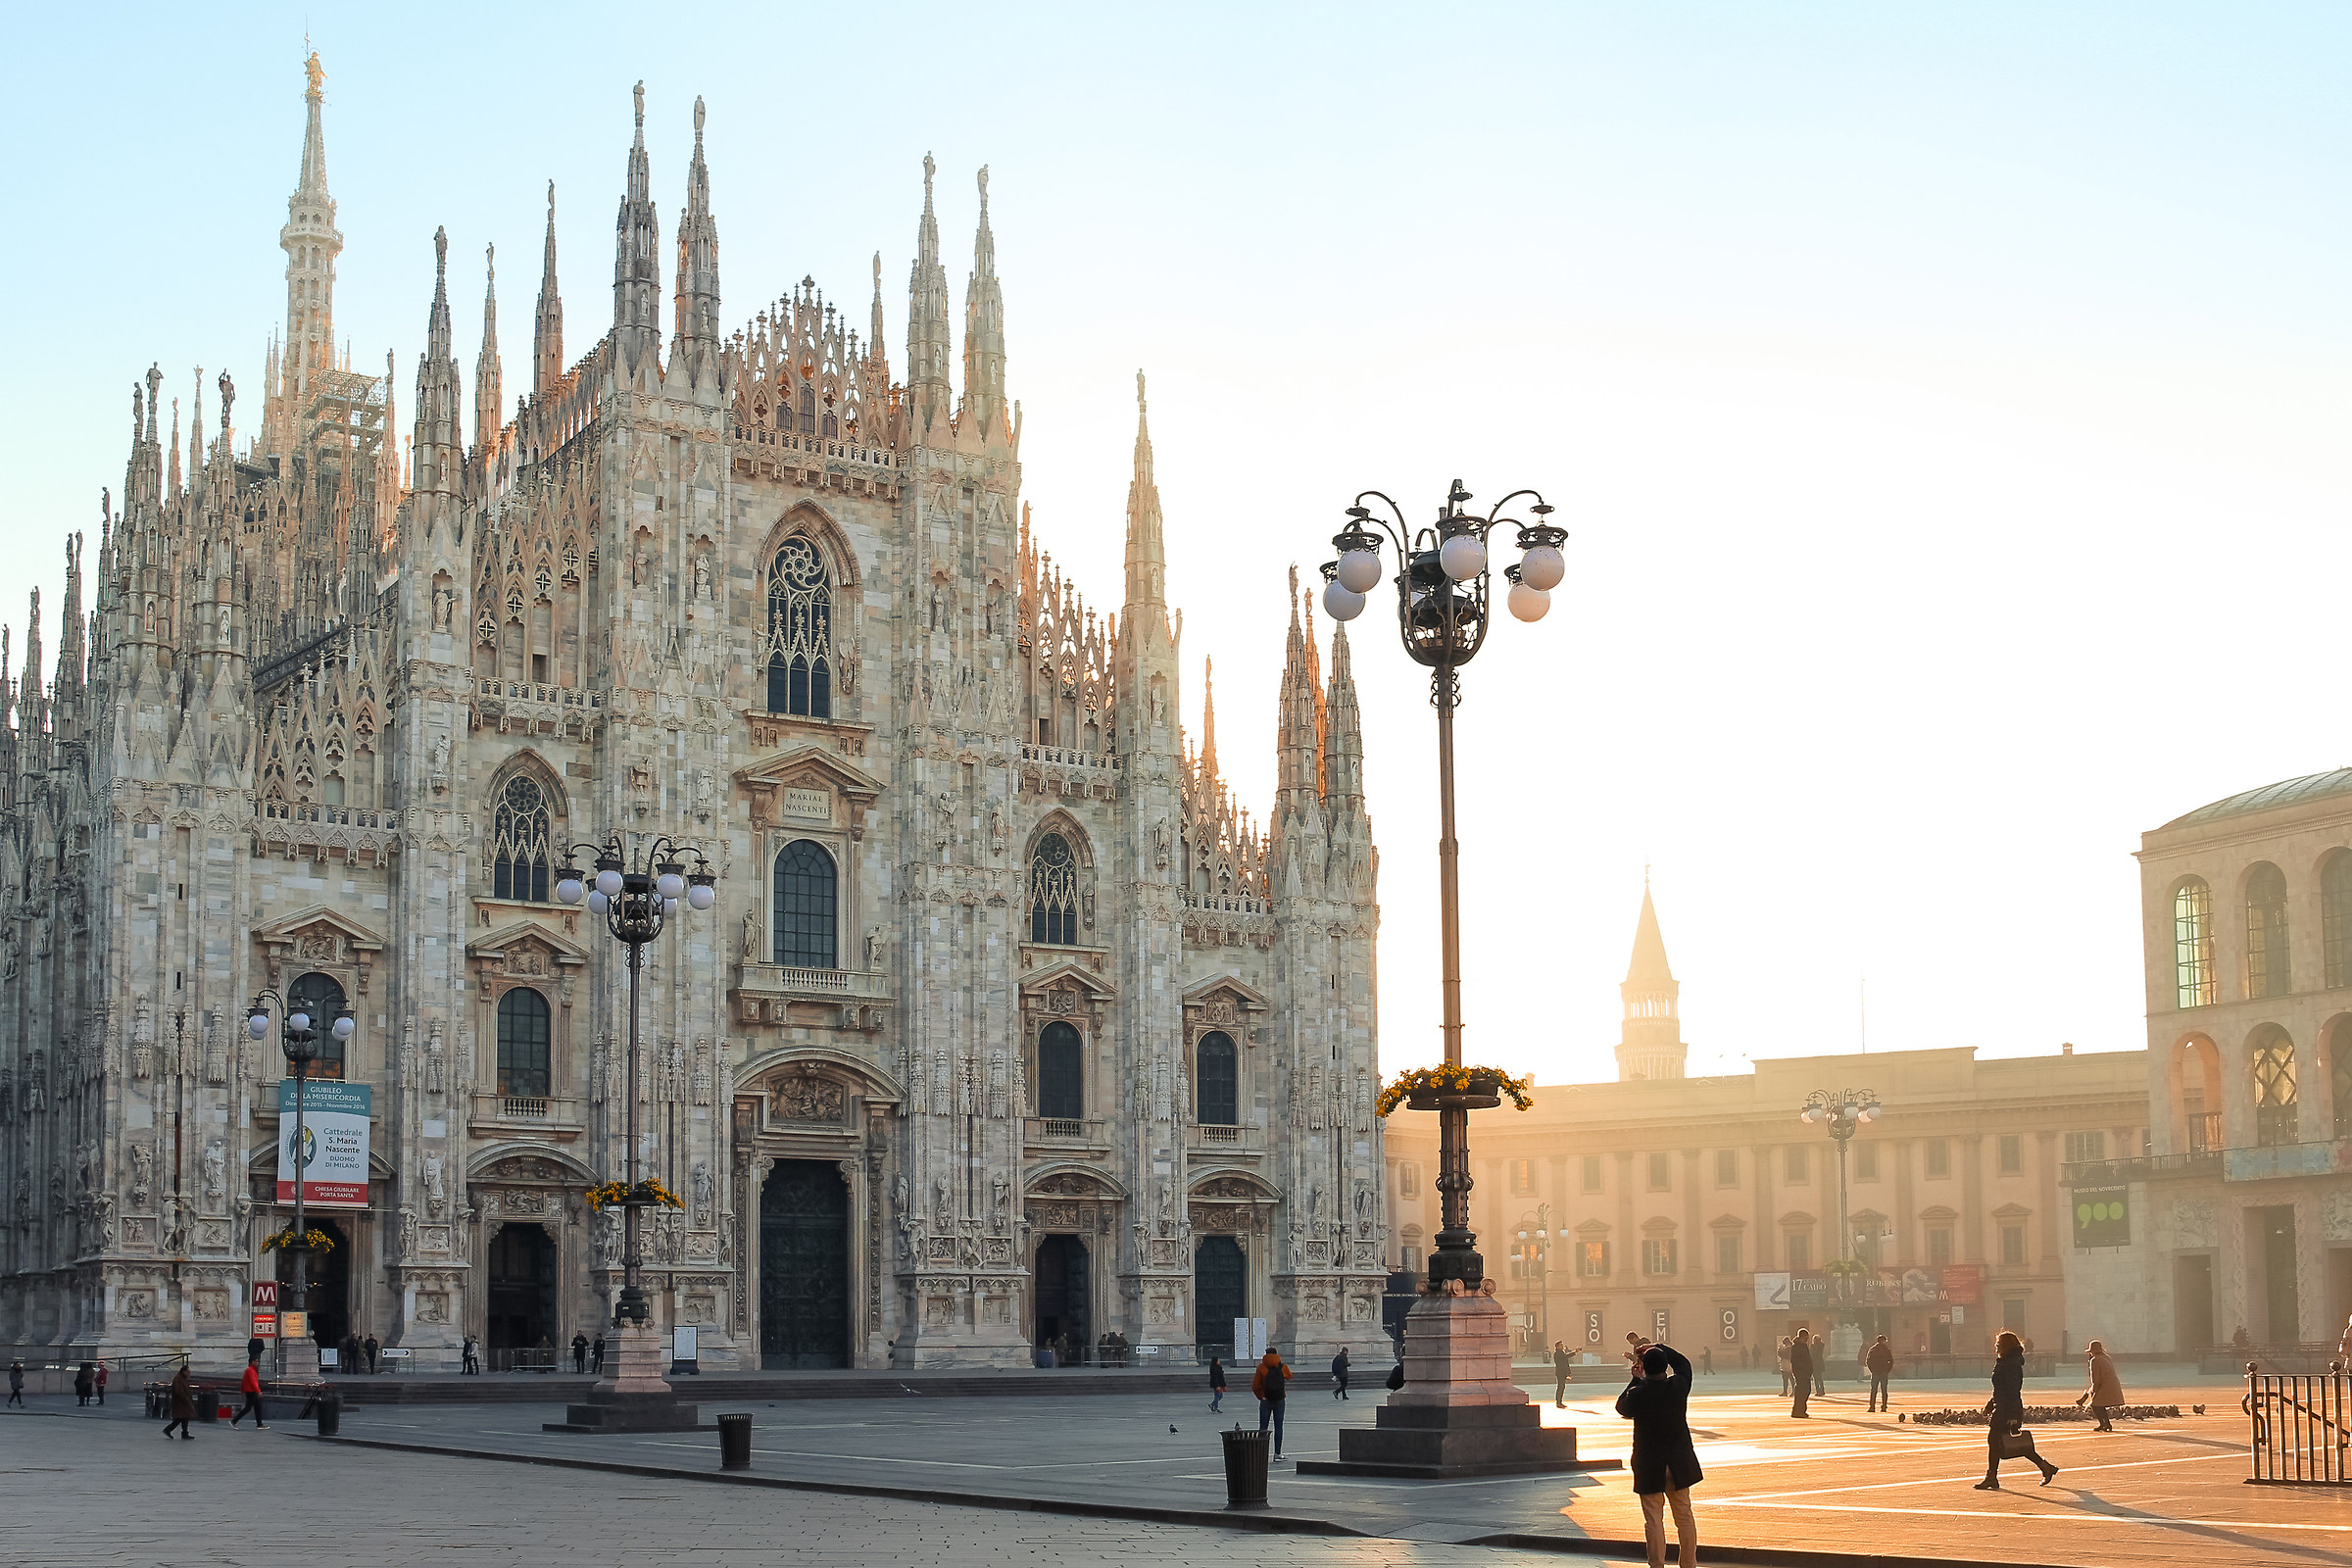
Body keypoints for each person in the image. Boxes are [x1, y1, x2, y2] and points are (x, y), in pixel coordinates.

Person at [1617, 1343, 1703, 1568]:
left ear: (1644, 1367)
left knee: (1653, 1519)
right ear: (1665, 1366)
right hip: (1678, 1462)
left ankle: (1657, 1564)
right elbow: (1683, 1364)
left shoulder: (1638, 1394)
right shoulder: (1678, 1386)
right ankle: (1689, 1563)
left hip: (1649, 1464)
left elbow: (1621, 1407)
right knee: (1684, 1516)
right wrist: (1658, 1346)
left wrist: (1635, 1380)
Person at [1977, 1329, 2057, 1490]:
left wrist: (2013, 1416)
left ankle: (1992, 1477)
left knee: (2002, 1442)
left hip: (2007, 1409)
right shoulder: (2006, 1361)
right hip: (2002, 1407)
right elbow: (2000, 1389)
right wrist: (1990, 1404)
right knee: (2005, 1443)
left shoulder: (2011, 1364)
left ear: (2005, 1345)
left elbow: (2012, 1391)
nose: (1996, 1346)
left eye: (1998, 1343)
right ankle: (2045, 1467)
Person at [1252, 1345, 1292, 1460]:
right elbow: (1289, 1376)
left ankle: (1261, 1453)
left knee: (1263, 1428)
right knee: (1278, 1427)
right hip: (1279, 1399)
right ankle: (1277, 1453)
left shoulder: (1261, 1368)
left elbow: (1255, 1386)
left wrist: (1261, 1396)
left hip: (1266, 1400)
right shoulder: (1283, 1366)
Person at [2077, 1340, 2124, 1433]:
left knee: (2095, 1405)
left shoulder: (2095, 1360)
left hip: (2104, 1386)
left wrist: (2093, 1392)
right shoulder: (2106, 1357)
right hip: (2112, 1385)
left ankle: (2104, 1424)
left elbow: (2096, 1379)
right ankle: (2106, 1424)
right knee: (2100, 1405)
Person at [228, 1359, 268, 1429]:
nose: (258, 1363)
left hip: (250, 1391)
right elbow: (253, 1382)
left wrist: (243, 1391)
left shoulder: (248, 1370)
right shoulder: (251, 1371)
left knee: (257, 1407)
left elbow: (243, 1381)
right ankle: (234, 1421)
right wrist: (259, 1391)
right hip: (251, 1392)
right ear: (252, 1362)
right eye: (256, 1361)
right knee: (248, 1408)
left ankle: (259, 1424)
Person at [163, 1365, 197, 1440]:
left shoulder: (182, 1378)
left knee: (184, 1418)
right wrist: (186, 1399)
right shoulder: (178, 1379)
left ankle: (184, 1433)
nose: (189, 1374)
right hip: (180, 1403)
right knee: (180, 1418)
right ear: (184, 1371)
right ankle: (168, 1430)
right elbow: (179, 1391)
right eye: (188, 1372)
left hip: (182, 1402)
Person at [1865, 1335, 1894, 1412]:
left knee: (1873, 1390)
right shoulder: (1886, 1350)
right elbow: (1891, 1361)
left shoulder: (1873, 1349)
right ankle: (1884, 1407)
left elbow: (1868, 1361)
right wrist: (1887, 1369)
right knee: (1884, 1390)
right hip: (1883, 1372)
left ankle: (1872, 1407)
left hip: (1875, 1372)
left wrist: (1872, 1369)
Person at [1788, 1330, 1812, 1418]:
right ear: (1802, 1337)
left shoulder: (1803, 1346)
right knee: (1801, 1391)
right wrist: (1803, 1367)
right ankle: (1797, 1411)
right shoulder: (1796, 1347)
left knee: (1806, 1390)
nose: (1807, 1340)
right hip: (1800, 1372)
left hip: (1805, 1372)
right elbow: (1795, 1360)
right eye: (1806, 1338)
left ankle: (1801, 1410)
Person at [1554, 1341, 1575, 1406]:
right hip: (1560, 1373)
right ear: (1557, 1346)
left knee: (1562, 1387)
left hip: (1563, 1372)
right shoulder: (1557, 1353)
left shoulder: (1561, 1352)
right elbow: (1566, 1356)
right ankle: (1558, 1402)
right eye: (1561, 1345)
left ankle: (1560, 1401)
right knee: (1560, 1387)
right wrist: (1575, 1352)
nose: (1562, 1346)